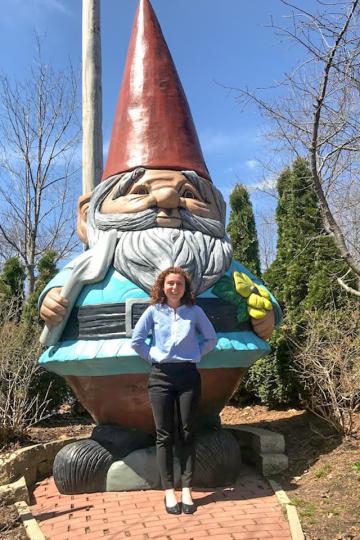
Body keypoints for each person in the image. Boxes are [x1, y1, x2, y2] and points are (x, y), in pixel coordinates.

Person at [131, 266, 217, 515]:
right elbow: (137, 341)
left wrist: (195, 354)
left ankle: (187, 488)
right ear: (162, 286)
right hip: (160, 377)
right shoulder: (153, 312)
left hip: (188, 375)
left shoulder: (195, 311)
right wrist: (154, 356)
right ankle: (169, 490)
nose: (174, 287)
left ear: (185, 288)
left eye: (179, 284)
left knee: (188, 431)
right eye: (170, 283)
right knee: (164, 434)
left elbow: (211, 339)